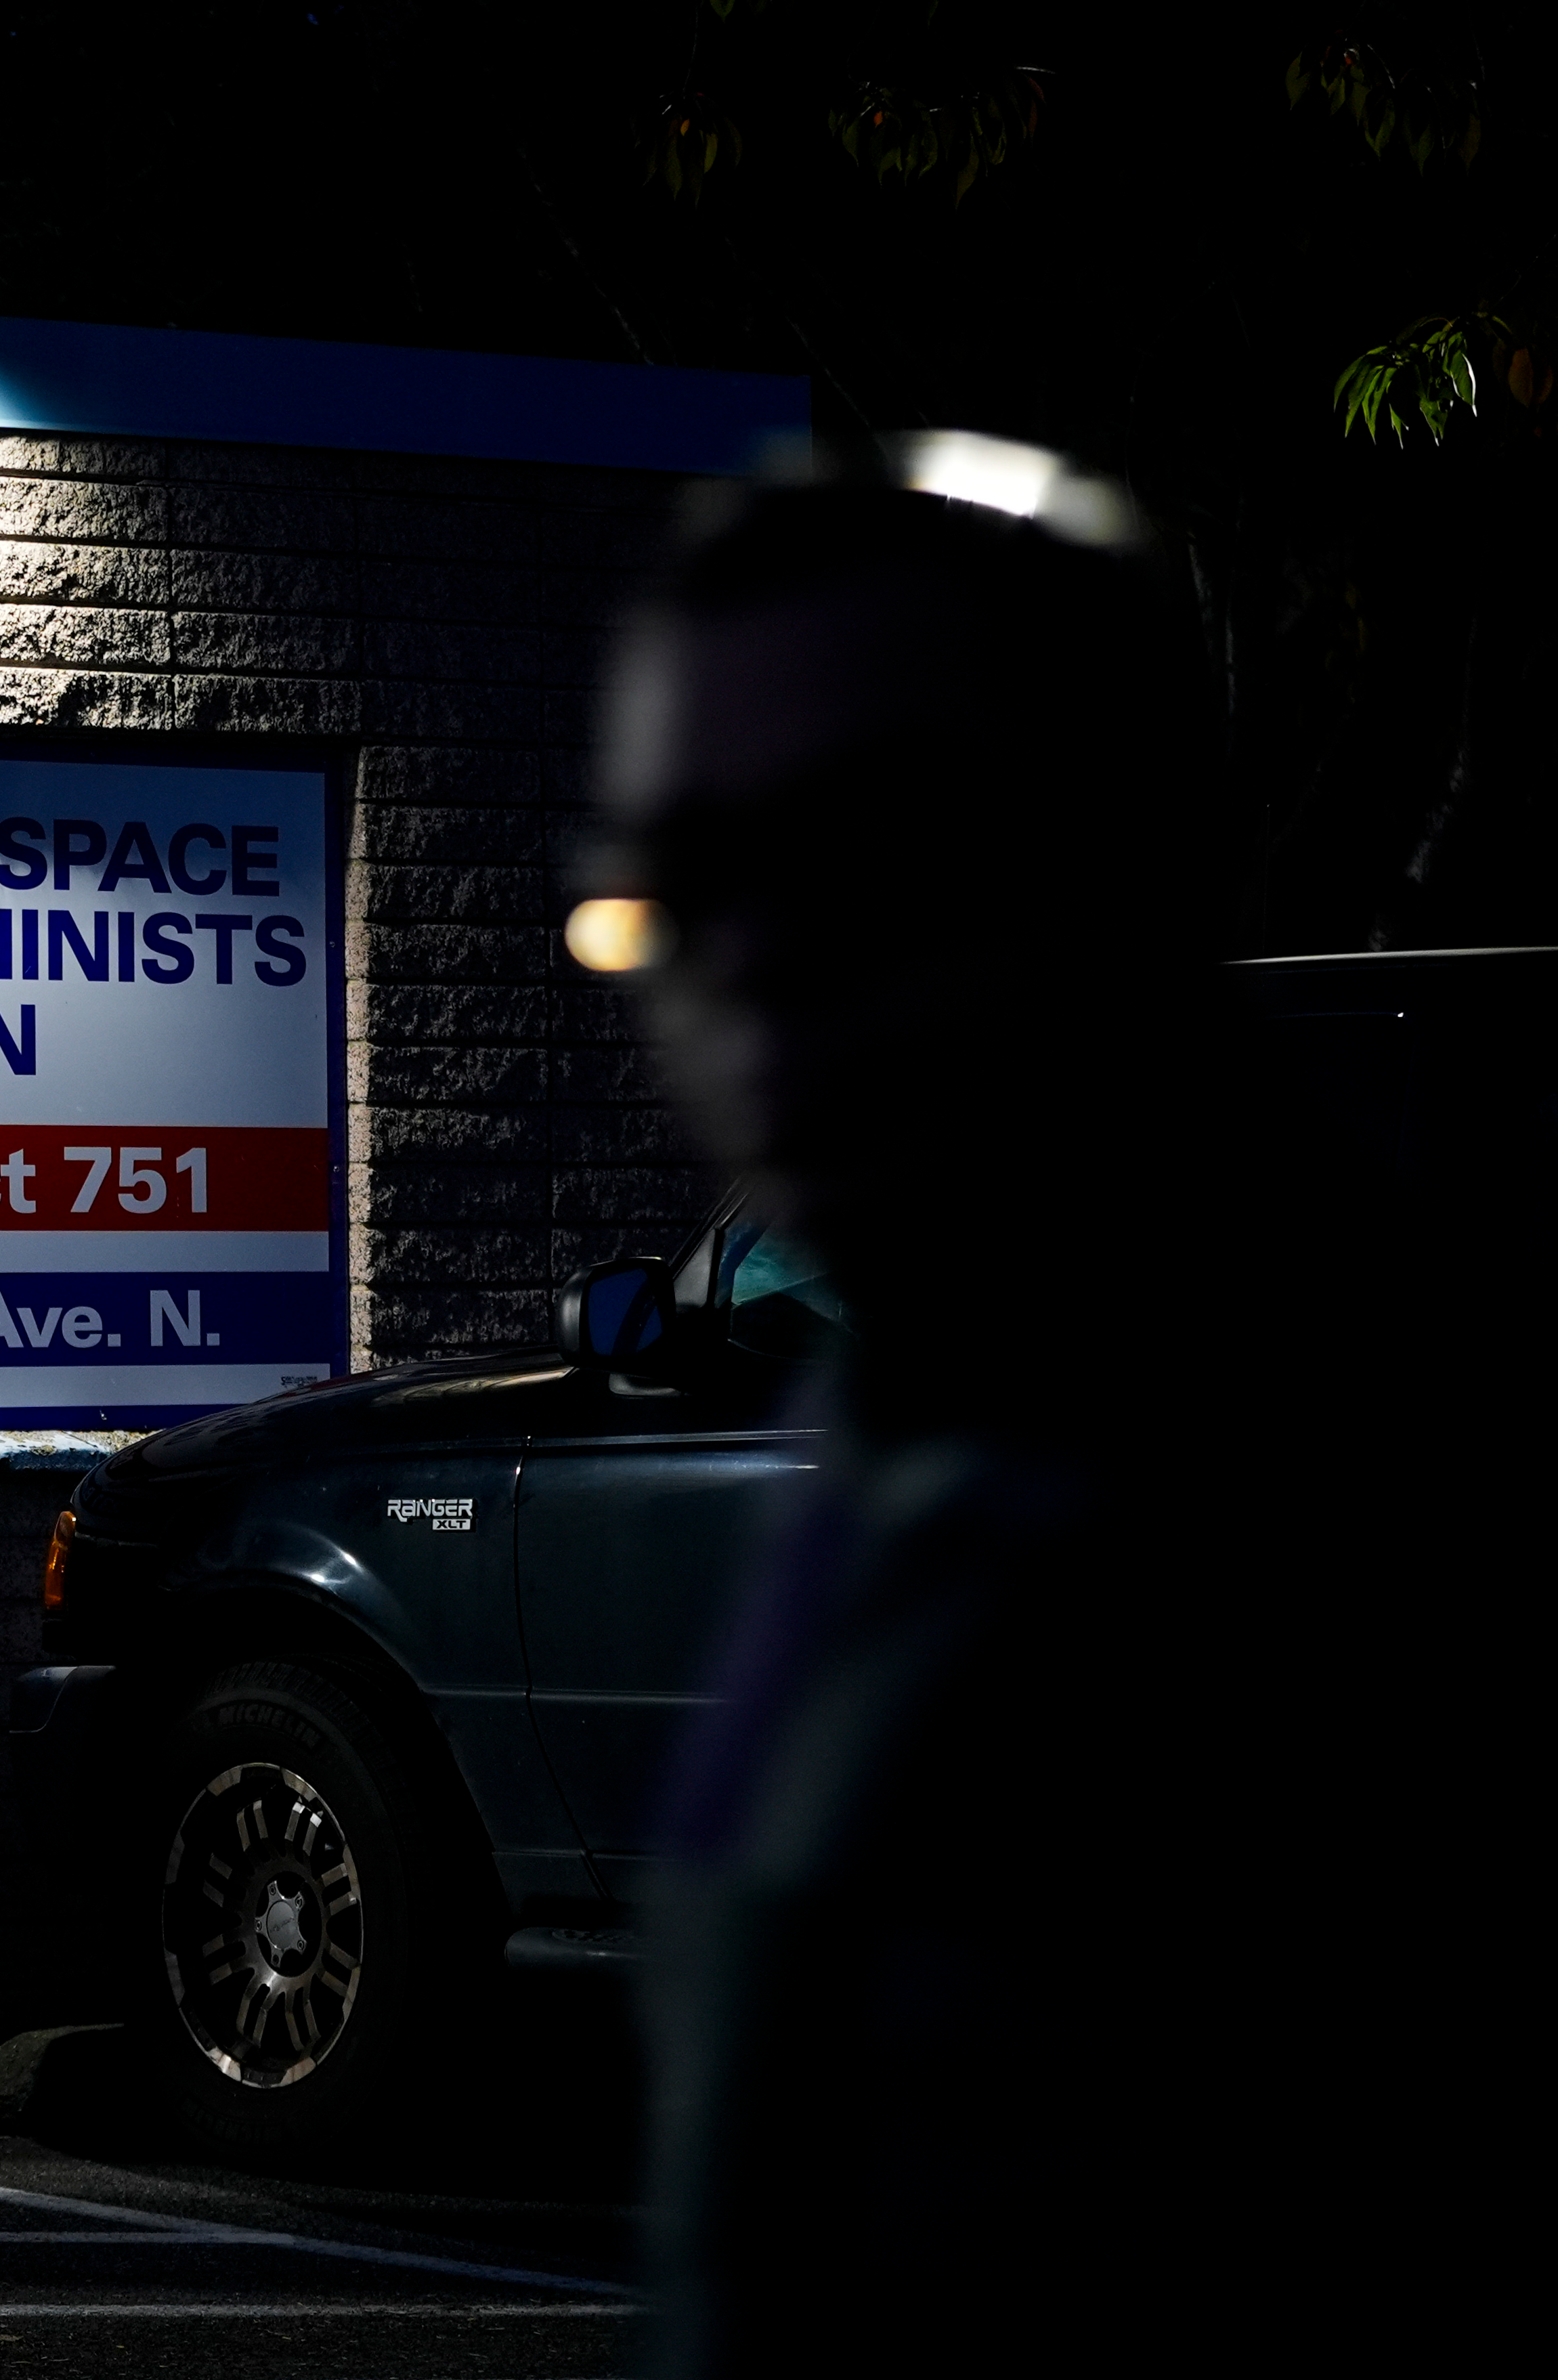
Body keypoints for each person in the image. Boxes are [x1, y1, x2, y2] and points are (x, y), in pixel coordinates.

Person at [586, 435, 1324, 2371]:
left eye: (862, 845)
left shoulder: (1294, 1497)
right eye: (679, 879)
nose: (744, 964)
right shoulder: (907, 1417)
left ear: (1162, 852)